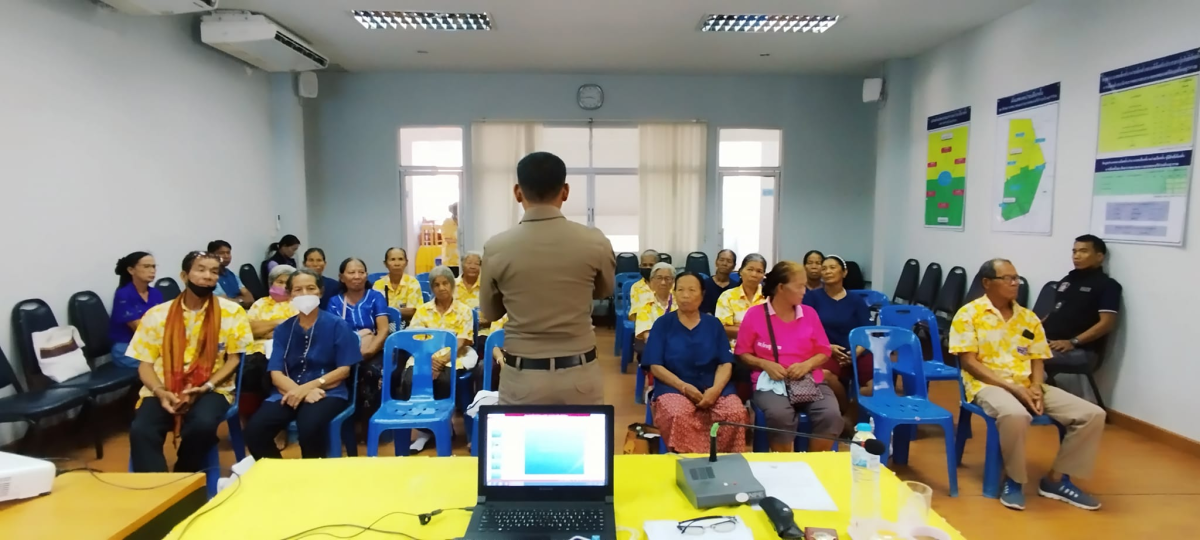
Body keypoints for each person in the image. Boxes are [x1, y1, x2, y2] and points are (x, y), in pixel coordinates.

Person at [950, 258, 1105, 512]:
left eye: (1016, 278)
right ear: (987, 283)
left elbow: (1037, 358)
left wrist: (1034, 386)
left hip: (1026, 383)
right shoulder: (969, 314)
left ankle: (1055, 480)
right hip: (986, 384)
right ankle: (1015, 480)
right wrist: (1013, 388)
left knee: (1091, 414)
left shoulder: (1028, 317)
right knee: (1014, 414)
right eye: (1008, 278)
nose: (1015, 283)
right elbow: (968, 362)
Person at [480, 151, 615, 405]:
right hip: (580, 375)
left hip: (522, 377)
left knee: (521, 446)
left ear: (518, 192)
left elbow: (490, 312)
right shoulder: (595, 242)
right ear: (565, 191)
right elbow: (603, 291)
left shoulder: (496, 247)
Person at [127, 251, 252, 473]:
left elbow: (233, 360)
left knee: (202, 426)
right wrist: (160, 391)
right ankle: (159, 489)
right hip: (164, 387)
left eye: (214, 272)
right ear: (184, 276)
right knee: (141, 429)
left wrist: (206, 387)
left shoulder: (232, 312)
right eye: (201, 269)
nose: (208, 276)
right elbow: (144, 364)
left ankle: (184, 475)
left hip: (212, 387)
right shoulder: (157, 315)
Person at [245, 269, 360, 460]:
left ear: (320, 292)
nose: (305, 294)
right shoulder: (283, 329)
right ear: (289, 295)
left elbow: (343, 370)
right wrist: (300, 391)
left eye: (311, 288)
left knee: (309, 427)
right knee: (254, 430)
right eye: (298, 289)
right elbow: (276, 372)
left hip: (328, 392)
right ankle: (279, 475)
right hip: (286, 391)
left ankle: (312, 481)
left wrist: (307, 388)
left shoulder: (337, 325)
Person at [736, 261, 842, 453]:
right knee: (779, 415)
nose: (804, 291)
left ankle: (815, 464)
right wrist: (764, 364)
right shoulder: (755, 315)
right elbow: (742, 353)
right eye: (799, 286)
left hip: (809, 380)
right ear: (781, 287)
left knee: (830, 414)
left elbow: (824, 351)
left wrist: (807, 365)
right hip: (771, 383)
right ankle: (787, 464)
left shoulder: (809, 314)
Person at [643, 272, 746, 454]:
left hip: (713, 386)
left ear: (702, 294)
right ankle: (688, 463)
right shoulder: (663, 324)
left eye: (692, 290)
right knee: (678, 414)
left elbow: (725, 363)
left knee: (734, 413)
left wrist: (715, 389)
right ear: (674, 294)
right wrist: (683, 387)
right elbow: (655, 365)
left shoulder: (713, 324)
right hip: (674, 387)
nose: (685, 295)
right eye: (680, 290)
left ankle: (724, 464)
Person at [1041, 235, 1122, 401]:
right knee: (1005, 345)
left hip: (1080, 350)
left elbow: (1107, 324)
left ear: (1100, 256)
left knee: (1025, 354)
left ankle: (1038, 398)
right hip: (1048, 341)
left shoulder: (1108, 286)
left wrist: (1073, 342)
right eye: (1074, 251)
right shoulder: (1068, 280)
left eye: (1083, 251)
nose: (1076, 256)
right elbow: (1055, 312)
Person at [803, 255, 873, 430]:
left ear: (844, 272)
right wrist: (828, 347)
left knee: (876, 384)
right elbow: (805, 329)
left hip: (856, 350)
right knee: (824, 375)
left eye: (832, 267)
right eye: (824, 268)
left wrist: (856, 352)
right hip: (825, 350)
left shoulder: (855, 300)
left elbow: (867, 331)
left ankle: (850, 416)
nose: (827, 271)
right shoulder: (811, 298)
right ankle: (841, 413)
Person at [401, 266, 477, 400]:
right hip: (424, 357)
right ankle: (416, 417)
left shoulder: (464, 310)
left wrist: (441, 361)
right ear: (432, 288)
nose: (441, 288)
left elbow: (463, 340)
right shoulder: (423, 310)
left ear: (452, 285)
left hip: (453, 357)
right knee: (409, 380)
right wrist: (429, 360)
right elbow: (415, 339)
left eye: (445, 283)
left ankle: (443, 417)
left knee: (444, 381)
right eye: (436, 285)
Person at [241, 265, 299, 417]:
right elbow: (249, 330)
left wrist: (264, 330)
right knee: (247, 372)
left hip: (284, 352)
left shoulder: (297, 304)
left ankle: (271, 414)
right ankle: (250, 417)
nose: (284, 286)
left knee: (267, 372)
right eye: (279, 282)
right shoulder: (259, 304)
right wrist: (277, 322)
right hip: (254, 351)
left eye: (288, 283)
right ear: (271, 283)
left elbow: (292, 332)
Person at [327, 257, 390, 363]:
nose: (357, 276)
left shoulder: (375, 297)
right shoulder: (334, 302)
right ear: (341, 277)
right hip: (344, 350)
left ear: (366, 276)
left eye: (361, 272)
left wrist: (369, 351)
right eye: (351, 272)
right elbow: (332, 334)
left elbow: (383, 330)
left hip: (372, 349)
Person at [109, 252, 164, 369]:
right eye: (146, 266)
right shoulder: (123, 295)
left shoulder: (155, 293)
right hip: (127, 348)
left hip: (151, 345)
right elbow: (139, 329)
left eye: (154, 266)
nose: (152, 270)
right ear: (131, 270)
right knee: (166, 364)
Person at [715, 253, 768, 342]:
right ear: (740, 271)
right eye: (750, 269)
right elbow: (722, 328)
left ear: (763, 275)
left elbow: (776, 328)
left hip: (763, 348)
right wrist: (757, 330)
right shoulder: (728, 296)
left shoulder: (769, 297)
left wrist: (738, 328)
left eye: (759, 271)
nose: (754, 274)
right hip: (734, 349)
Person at [634, 262, 678, 347]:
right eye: (659, 278)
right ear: (652, 281)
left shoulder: (679, 301)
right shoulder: (645, 303)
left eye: (667, 278)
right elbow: (646, 333)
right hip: (654, 343)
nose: (663, 282)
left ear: (673, 281)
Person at [372, 247, 422, 321]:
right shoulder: (378, 284)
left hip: (407, 326)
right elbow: (375, 310)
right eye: (392, 259)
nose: (397, 263)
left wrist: (386, 311)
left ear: (406, 263)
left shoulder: (413, 282)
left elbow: (413, 311)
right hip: (384, 324)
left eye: (401, 259)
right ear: (385, 264)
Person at [208, 240, 254, 309]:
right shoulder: (210, 276)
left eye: (228, 253)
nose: (226, 256)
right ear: (211, 255)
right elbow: (224, 303)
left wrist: (236, 300)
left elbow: (250, 299)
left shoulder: (231, 275)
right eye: (221, 253)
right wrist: (241, 299)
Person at [700, 249, 738, 315]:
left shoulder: (736, 287)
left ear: (734, 266)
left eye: (729, 261)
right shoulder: (703, 284)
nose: (724, 264)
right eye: (721, 260)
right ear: (716, 262)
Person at [629, 249, 659, 317]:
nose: (647, 267)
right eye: (644, 265)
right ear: (640, 266)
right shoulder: (636, 287)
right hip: (644, 323)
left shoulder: (668, 285)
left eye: (651, 265)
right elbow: (634, 312)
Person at [442, 203, 461, 277]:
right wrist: (460, 241)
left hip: (460, 259)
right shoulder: (447, 222)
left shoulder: (463, 222)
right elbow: (447, 239)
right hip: (450, 259)